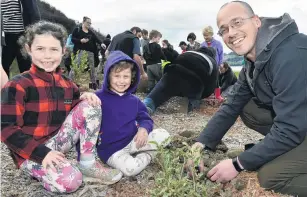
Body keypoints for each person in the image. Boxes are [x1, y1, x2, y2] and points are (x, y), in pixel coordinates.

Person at [188, 1, 307, 196]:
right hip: (299, 120)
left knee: (270, 177)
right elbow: (231, 106)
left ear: (256, 21)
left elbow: (291, 128)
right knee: (246, 106)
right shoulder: (253, 61)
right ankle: (283, 149)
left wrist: (238, 163)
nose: (231, 33)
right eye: (224, 29)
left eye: (237, 23)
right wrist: (200, 144)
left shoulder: (290, 55)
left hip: (297, 125)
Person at [1, 21, 122, 194]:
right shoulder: (17, 85)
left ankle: (88, 164)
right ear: (29, 49)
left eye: (54, 49)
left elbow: (75, 114)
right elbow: (6, 129)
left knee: (91, 103)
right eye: (40, 49)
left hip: (57, 142)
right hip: (29, 152)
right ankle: (40, 172)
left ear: (63, 51)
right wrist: (42, 154)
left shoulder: (68, 85)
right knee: (72, 181)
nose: (47, 56)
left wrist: (83, 98)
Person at [95, 50, 170, 177]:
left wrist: (143, 130)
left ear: (132, 78)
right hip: (112, 150)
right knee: (131, 169)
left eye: (126, 77)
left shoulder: (134, 101)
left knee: (165, 135)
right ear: (108, 76)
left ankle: (145, 152)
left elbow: (145, 118)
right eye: (117, 76)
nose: (121, 81)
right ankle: (149, 155)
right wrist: (85, 96)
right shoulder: (97, 97)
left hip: (134, 141)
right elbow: (81, 107)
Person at [144, 47, 218, 114]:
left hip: (173, 73)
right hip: (194, 80)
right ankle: (191, 109)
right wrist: (202, 96)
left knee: (156, 95)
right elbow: (211, 86)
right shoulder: (212, 61)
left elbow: (171, 64)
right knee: (193, 102)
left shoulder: (188, 52)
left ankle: (145, 106)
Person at [1, 0, 40, 77]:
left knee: (26, 69)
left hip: (23, 36)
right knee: (2, 68)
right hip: (5, 38)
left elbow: (34, 13)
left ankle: (27, 88)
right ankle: (5, 88)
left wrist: (34, 35)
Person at [71, 16, 102, 90]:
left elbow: (96, 38)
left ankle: (94, 85)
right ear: (83, 22)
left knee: (92, 69)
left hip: (91, 53)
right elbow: (72, 39)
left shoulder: (90, 32)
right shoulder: (77, 30)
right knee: (76, 67)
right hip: (81, 51)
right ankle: (70, 82)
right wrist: (80, 41)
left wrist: (101, 43)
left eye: (90, 23)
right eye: (88, 23)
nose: (89, 24)